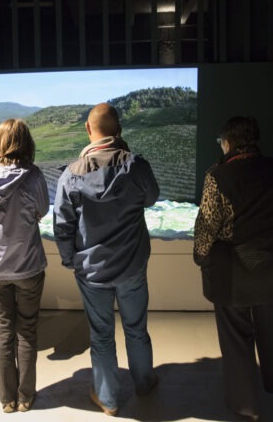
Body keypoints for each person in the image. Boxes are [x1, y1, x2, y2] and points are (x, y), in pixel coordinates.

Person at [53, 103, 160, 417]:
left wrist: (69, 259)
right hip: (132, 265)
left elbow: (62, 225)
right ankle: (144, 382)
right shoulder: (136, 165)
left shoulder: (70, 175)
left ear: (89, 129)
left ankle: (109, 399)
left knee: (101, 335)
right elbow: (151, 198)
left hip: (91, 271)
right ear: (119, 130)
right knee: (136, 328)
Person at [193, 116, 273, 421]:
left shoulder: (218, 175)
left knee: (236, 336)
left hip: (232, 267)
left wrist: (200, 255)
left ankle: (244, 403)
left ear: (228, 142)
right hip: (271, 261)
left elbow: (208, 223)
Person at [0, 119, 49, 413]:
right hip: (29, 264)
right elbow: (42, 210)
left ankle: (7, 399)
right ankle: (26, 396)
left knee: (3, 331)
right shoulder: (34, 176)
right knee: (27, 331)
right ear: (26, 142)